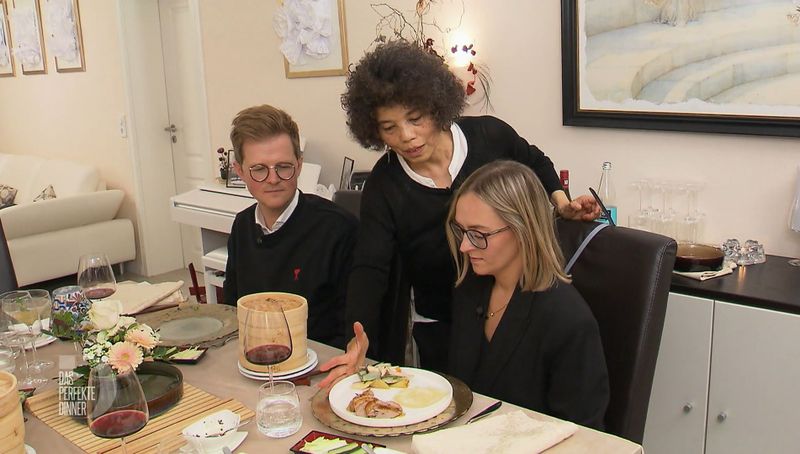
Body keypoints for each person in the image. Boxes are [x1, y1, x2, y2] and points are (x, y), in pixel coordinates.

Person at [339, 40, 600, 372]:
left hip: (511, 308)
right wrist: (357, 336)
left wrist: (561, 204)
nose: (407, 136)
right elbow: (370, 268)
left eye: (415, 119)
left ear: (436, 106)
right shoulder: (385, 184)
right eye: (389, 128)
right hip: (440, 321)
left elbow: (534, 162)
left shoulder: (489, 136)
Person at [321, 161, 609, 429]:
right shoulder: (471, 289)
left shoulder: (568, 320)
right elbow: (459, 393)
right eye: (461, 232)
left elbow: (586, 438)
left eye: (479, 234)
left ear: (524, 230)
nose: (464, 247)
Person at [223, 104, 358, 348]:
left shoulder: (339, 229)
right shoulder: (242, 226)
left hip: (319, 365)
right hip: (255, 358)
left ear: (299, 164)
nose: (273, 179)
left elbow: (351, 328)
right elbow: (233, 310)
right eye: (259, 169)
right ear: (240, 172)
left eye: (283, 167)